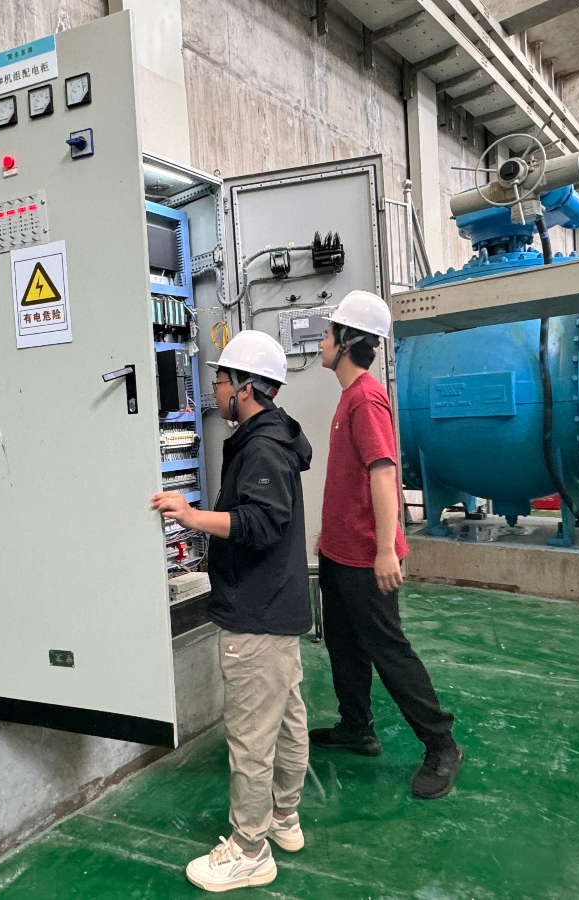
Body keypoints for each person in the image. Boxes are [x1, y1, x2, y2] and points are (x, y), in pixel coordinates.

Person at [151, 330, 315, 892]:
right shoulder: (274, 435)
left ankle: (249, 849)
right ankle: (284, 817)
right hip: (279, 604)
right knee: (286, 719)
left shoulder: (262, 448)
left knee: (250, 735)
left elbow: (261, 523)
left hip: (256, 611)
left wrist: (192, 516)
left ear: (245, 387)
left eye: (220, 379)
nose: (214, 389)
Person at [308, 290, 463, 800]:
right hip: (340, 551)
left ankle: (441, 744)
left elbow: (382, 472)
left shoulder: (366, 398)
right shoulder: (349, 396)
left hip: (364, 556)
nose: (321, 341)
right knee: (344, 643)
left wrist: (383, 550)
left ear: (346, 341)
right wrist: (331, 536)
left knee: (388, 650)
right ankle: (357, 728)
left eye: (328, 333)